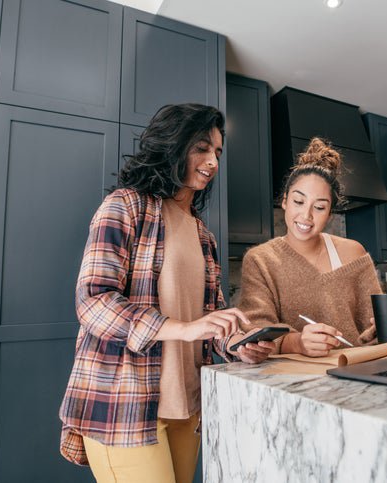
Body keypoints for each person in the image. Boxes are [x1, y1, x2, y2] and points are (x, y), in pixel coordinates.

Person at [59, 104, 275, 483]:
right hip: (124, 406)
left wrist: (239, 345)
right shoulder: (125, 206)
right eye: (202, 148)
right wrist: (185, 328)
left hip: (187, 405)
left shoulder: (202, 234)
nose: (212, 162)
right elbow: (93, 302)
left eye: (218, 153)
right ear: (173, 146)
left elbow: (210, 321)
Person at [238, 137, 387, 357]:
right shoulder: (260, 260)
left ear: (330, 214)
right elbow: (256, 332)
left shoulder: (354, 252)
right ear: (284, 201)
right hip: (296, 382)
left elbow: (373, 329)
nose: (306, 216)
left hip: (358, 372)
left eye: (319, 207)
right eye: (298, 202)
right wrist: (297, 343)